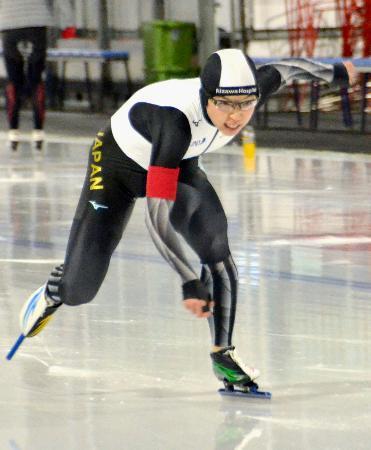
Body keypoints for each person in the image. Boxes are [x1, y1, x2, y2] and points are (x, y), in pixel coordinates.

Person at [15, 49, 356, 391]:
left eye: (245, 104)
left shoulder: (251, 89)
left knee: (216, 247)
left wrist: (335, 73)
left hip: (181, 163)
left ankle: (223, 355)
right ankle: (53, 292)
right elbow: (157, 218)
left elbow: (288, 68)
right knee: (80, 289)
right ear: (207, 98)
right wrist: (188, 279)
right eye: (224, 105)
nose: (236, 117)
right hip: (118, 167)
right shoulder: (175, 122)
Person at [0, 0, 75, 150]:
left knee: (14, 82)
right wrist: (68, 24)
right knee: (36, 79)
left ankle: (13, 131)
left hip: (9, 23)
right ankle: (38, 132)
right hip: (37, 23)